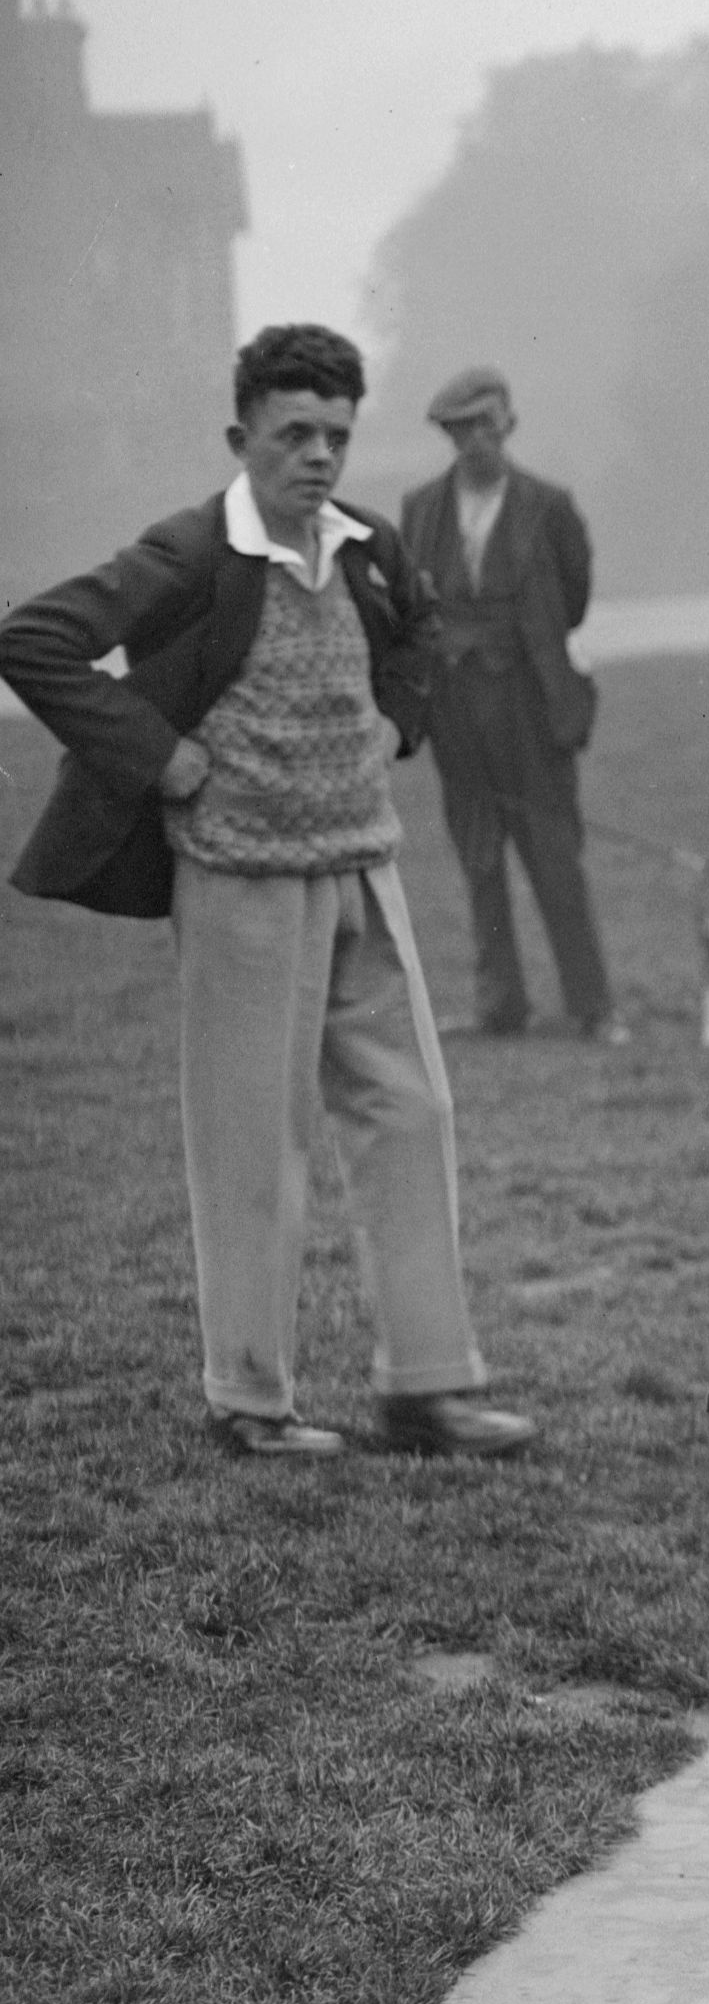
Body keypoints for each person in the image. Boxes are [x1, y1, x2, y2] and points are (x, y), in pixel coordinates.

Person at [0, 324, 542, 1461]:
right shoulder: (193, 550)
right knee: (254, 1141)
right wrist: (161, 757)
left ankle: (426, 1390)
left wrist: (399, 717)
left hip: (361, 870)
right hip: (242, 886)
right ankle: (251, 1402)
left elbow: (420, 628)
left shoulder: (366, 544)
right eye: (294, 433)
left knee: (415, 1114)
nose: (317, 456)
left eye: (336, 434)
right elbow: (36, 637)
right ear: (241, 436)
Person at [396, 366, 619, 1044]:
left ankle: (592, 1007)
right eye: (459, 430)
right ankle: (501, 1006)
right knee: (478, 857)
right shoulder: (420, 508)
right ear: (447, 435)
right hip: (455, 712)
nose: (474, 441)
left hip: (531, 706)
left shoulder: (548, 506)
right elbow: (412, 605)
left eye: (484, 425)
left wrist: (524, 645)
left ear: (508, 424)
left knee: (553, 853)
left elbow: (573, 600)